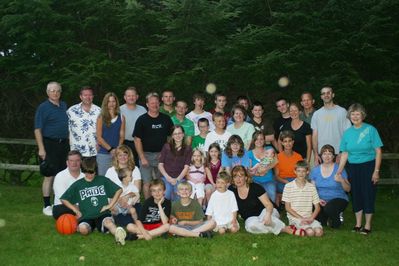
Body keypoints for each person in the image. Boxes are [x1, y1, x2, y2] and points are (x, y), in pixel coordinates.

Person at [336, 103, 383, 235]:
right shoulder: (347, 133)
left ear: (362, 115)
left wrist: (376, 171)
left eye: (358, 114)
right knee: (356, 195)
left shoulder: (371, 130)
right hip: (353, 168)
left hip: (369, 167)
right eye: (352, 114)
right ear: (349, 116)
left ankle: (367, 225)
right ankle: (357, 224)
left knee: (368, 194)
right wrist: (339, 170)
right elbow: (344, 153)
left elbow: (378, 151)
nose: (355, 116)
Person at [60, 159, 126, 245]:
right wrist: (75, 210)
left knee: (109, 223)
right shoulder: (78, 184)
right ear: (83, 171)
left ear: (96, 171)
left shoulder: (102, 180)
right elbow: (63, 199)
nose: (90, 175)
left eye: (92, 173)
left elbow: (119, 190)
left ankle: (119, 235)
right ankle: (92, 227)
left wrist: (109, 205)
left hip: (102, 214)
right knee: (83, 229)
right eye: (87, 173)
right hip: (86, 216)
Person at [34, 81, 69, 216]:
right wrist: (41, 148)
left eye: (57, 91)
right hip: (49, 144)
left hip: (64, 145)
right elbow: (37, 129)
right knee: (49, 175)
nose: (55, 93)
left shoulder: (64, 106)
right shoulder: (43, 108)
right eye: (52, 91)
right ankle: (47, 205)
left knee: (61, 175)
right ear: (47, 92)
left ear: (60, 92)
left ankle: (58, 202)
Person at [229, 165, 295, 235]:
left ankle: (282, 228)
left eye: (240, 176)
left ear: (246, 177)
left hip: (267, 211)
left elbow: (268, 204)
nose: (238, 179)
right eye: (235, 176)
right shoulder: (231, 190)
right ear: (233, 179)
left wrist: (268, 215)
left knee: (265, 219)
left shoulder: (255, 187)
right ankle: (282, 229)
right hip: (251, 218)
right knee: (251, 227)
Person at [133, 92, 173, 199]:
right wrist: (142, 157)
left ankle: (160, 203)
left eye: (156, 103)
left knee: (160, 182)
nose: (154, 105)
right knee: (147, 182)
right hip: (146, 155)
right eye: (152, 103)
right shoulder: (142, 120)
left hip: (161, 155)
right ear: (147, 104)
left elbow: (170, 138)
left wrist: (166, 153)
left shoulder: (166, 119)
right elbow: (137, 140)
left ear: (159, 103)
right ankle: (148, 204)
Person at [310, 145, 350, 229]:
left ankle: (337, 220)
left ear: (333, 156)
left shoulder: (339, 169)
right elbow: (312, 189)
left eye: (330, 154)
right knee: (320, 222)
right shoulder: (315, 170)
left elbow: (348, 189)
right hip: (321, 199)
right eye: (324, 153)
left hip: (338, 198)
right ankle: (327, 218)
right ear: (321, 156)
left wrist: (342, 180)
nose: (327, 156)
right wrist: (318, 199)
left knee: (330, 208)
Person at [282, 160, 323, 237]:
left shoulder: (311, 187)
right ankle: (293, 227)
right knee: (310, 232)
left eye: (303, 171)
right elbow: (287, 208)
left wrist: (311, 218)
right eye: (299, 171)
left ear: (307, 172)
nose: (301, 173)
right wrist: (301, 219)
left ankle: (302, 228)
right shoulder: (288, 186)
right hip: (295, 218)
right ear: (295, 171)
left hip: (309, 217)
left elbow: (317, 207)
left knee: (319, 232)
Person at [311, 87, 351, 165]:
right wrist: (316, 154)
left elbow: (348, 134)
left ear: (333, 95)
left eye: (328, 93)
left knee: (339, 176)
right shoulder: (317, 114)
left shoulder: (342, 111)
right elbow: (314, 136)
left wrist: (342, 152)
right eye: (323, 93)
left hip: (338, 153)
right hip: (322, 153)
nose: (326, 95)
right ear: (321, 97)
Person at [67, 86, 101, 161]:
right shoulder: (71, 111)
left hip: (95, 150)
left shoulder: (99, 111)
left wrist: (100, 143)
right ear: (81, 97)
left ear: (93, 96)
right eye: (85, 95)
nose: (88, 97)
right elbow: (68, 129)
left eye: (90, 95)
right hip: (77, 151)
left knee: (95, 172)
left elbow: (103, 130)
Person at [158, 125, 192, 201]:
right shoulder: (166, 147)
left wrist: (177, 179)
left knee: (178, 195)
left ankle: (175, 212)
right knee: (167, 194)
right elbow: (160, 165)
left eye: (179, 133)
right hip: (166, 177)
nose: (178, 135)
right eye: (175, 134)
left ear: (183, 134)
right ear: (172, 136)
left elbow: (186, 167)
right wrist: (168, 177)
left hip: (180, 177)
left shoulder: (188, 149)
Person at [96, 92, 125, 176]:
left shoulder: (122, 117)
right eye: (109, 101)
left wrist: (117, 150)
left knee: (117, 178)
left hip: (118, 154)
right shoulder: (101, 117)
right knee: (103, 178)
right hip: (103, 153)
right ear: (106, 103)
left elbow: (122, 136)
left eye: (113, 101)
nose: (111, 104)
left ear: (116, 102)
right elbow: (99, 137)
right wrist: (110, 149)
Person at [52, 150, 85, 219]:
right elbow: (63, 199)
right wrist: (77, 209)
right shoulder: (60, 176)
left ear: (81, 162)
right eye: (71, 161)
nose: (74, 163)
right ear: (67, 162)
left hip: (81, 206)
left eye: (77, 160)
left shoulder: (85, 176)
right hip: (62, 206)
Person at [275, 130, 303, 206]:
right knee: (286, 188)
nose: (288, 143)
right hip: (282, 181)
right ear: (282, 143)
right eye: (285, 141)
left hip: (295, 180)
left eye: (290, 141)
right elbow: (276, 176)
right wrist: (286, 182)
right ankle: (285, 201)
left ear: (293, 142)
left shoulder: (298, 157)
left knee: (298, 187)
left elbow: (302, 173)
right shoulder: (278, 157)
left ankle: (286, 201)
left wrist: (295, 182)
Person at [120, 87, 147, 167]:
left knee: (139, 167)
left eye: (133, 95)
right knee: (126, 167)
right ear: (125, 97)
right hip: (125, 143)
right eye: (129, 96)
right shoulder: (119, 110)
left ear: (137, 97)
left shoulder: (143, 110)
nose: (131, 98)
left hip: (140, 143)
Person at [248, 132, 277, 204]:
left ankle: (272, 212)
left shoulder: (269, 149)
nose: (259, 141)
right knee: (257, 200)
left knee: (272, 196)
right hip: (255, 181)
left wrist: (265, 169)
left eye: (261, 139)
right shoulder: (249, 153)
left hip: (268, 180)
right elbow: (249, 170)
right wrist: (257, 173)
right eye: (257, 139)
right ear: (253, 141)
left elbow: (276, 161)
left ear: (264, 140)